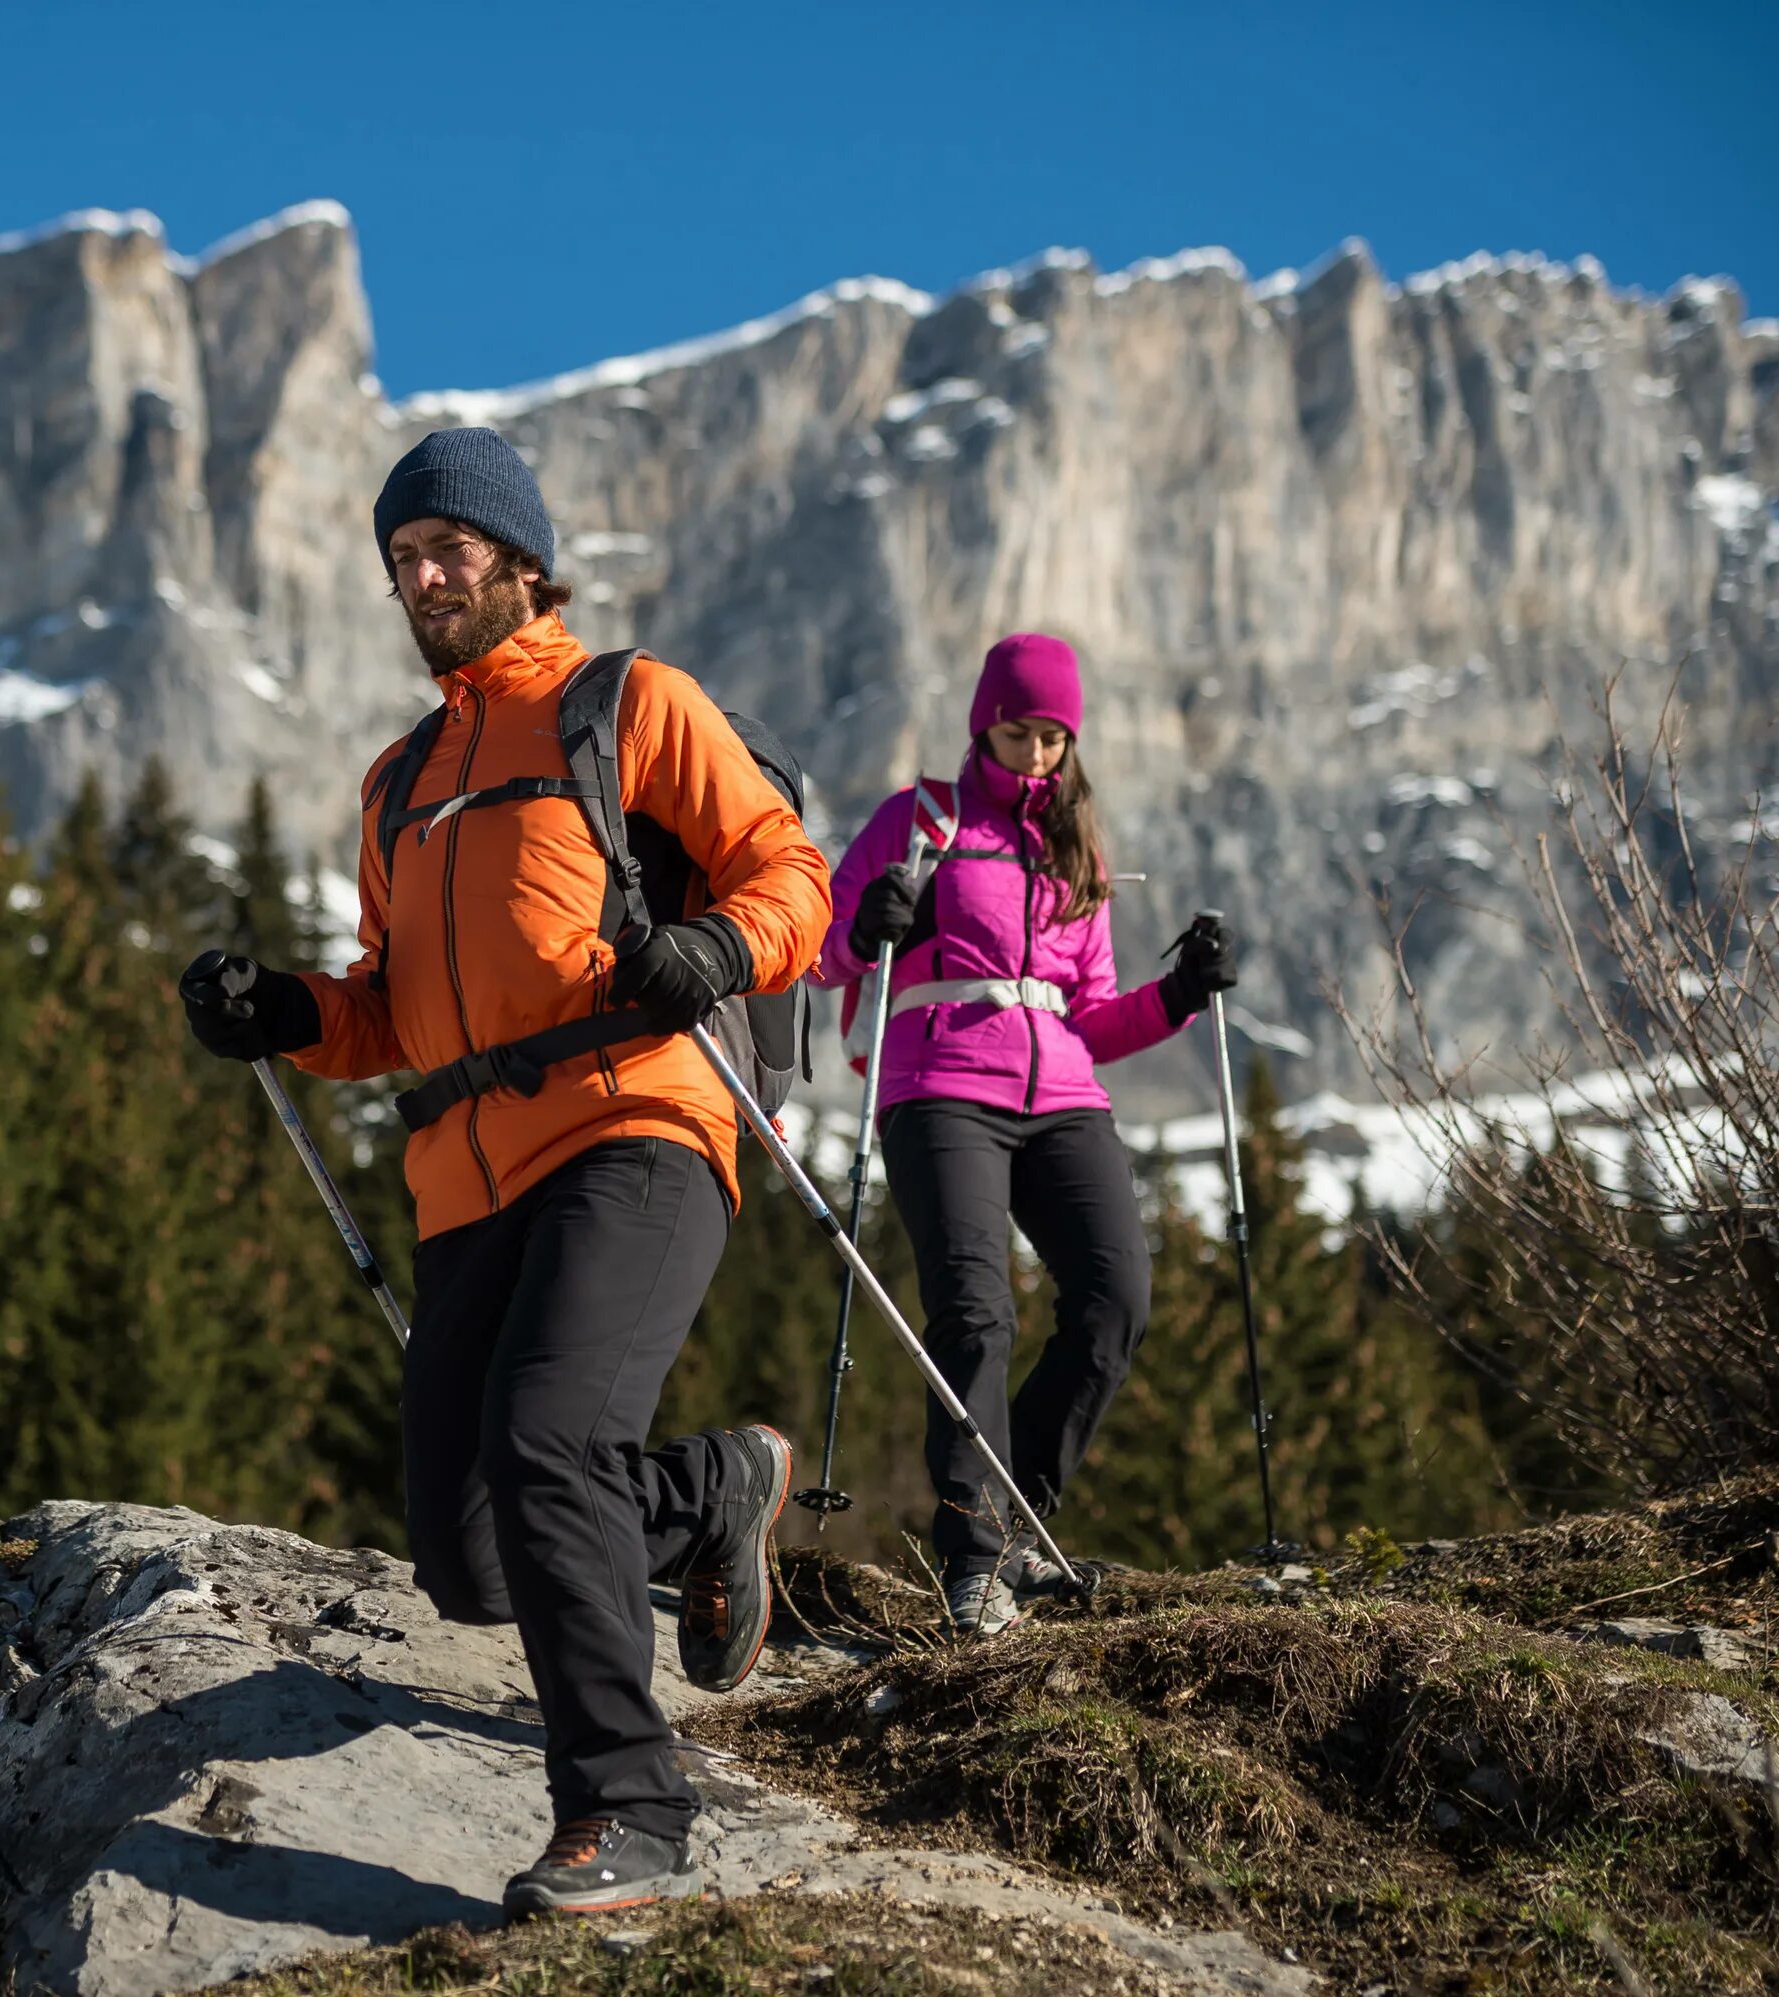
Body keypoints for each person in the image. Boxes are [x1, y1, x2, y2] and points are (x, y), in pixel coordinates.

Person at [177, 427, 833, 1917]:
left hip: (638, 1125)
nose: (423, 577)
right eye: (402, 559)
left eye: (448, 550)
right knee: (470, 1558)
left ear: (521, 559)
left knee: (551, 1443)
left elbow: (793, 874)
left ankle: (630, 1808)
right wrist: (283, 1012)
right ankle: (721, 1483)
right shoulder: (398, 780)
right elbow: (388, 1007)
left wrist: (717, 945)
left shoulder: (627, 704)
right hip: (468, 1181)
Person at [814, 633, 1237, 1635]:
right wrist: (872, 919)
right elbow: (826, 953)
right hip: (939, 1078)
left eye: (1054, 736)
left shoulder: (1076, 846)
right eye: (1019, 731)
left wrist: (1177, 995)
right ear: (983, 723)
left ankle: (1013, 1522)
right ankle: (971, 1559)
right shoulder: (917, 821)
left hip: (1062, 1091)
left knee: (1113, 1298)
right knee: (977, 1313)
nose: (1037, 753)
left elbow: (1089, 1012)